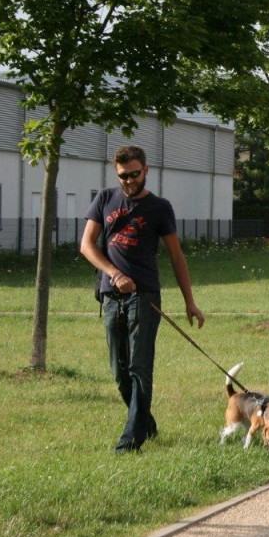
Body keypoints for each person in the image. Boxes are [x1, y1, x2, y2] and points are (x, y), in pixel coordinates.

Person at [81, 145, 205, 454]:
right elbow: (87, 245)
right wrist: (113, 273)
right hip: (111, 295)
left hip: (144, 296)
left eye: (134, 174)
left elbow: (177, 257)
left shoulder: (160, 207)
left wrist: (189, 301)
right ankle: (145, 422)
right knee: (118, 370)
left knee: (139, 367)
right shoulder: (105, 199)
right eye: (123, 176)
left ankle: (130, 441)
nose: (129, 181)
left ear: (146, 171)